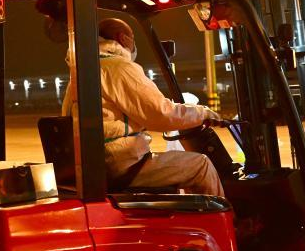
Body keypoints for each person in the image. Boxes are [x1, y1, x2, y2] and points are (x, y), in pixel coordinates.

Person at [61, 17, 224, 196]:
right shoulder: (118, 67)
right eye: (133, 39)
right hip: (121, 163)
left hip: (97, 161)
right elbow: (161, 114)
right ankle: (226, 214)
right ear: (123, 38)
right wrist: (203, 113)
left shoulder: (84, 69)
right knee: (201, 165)